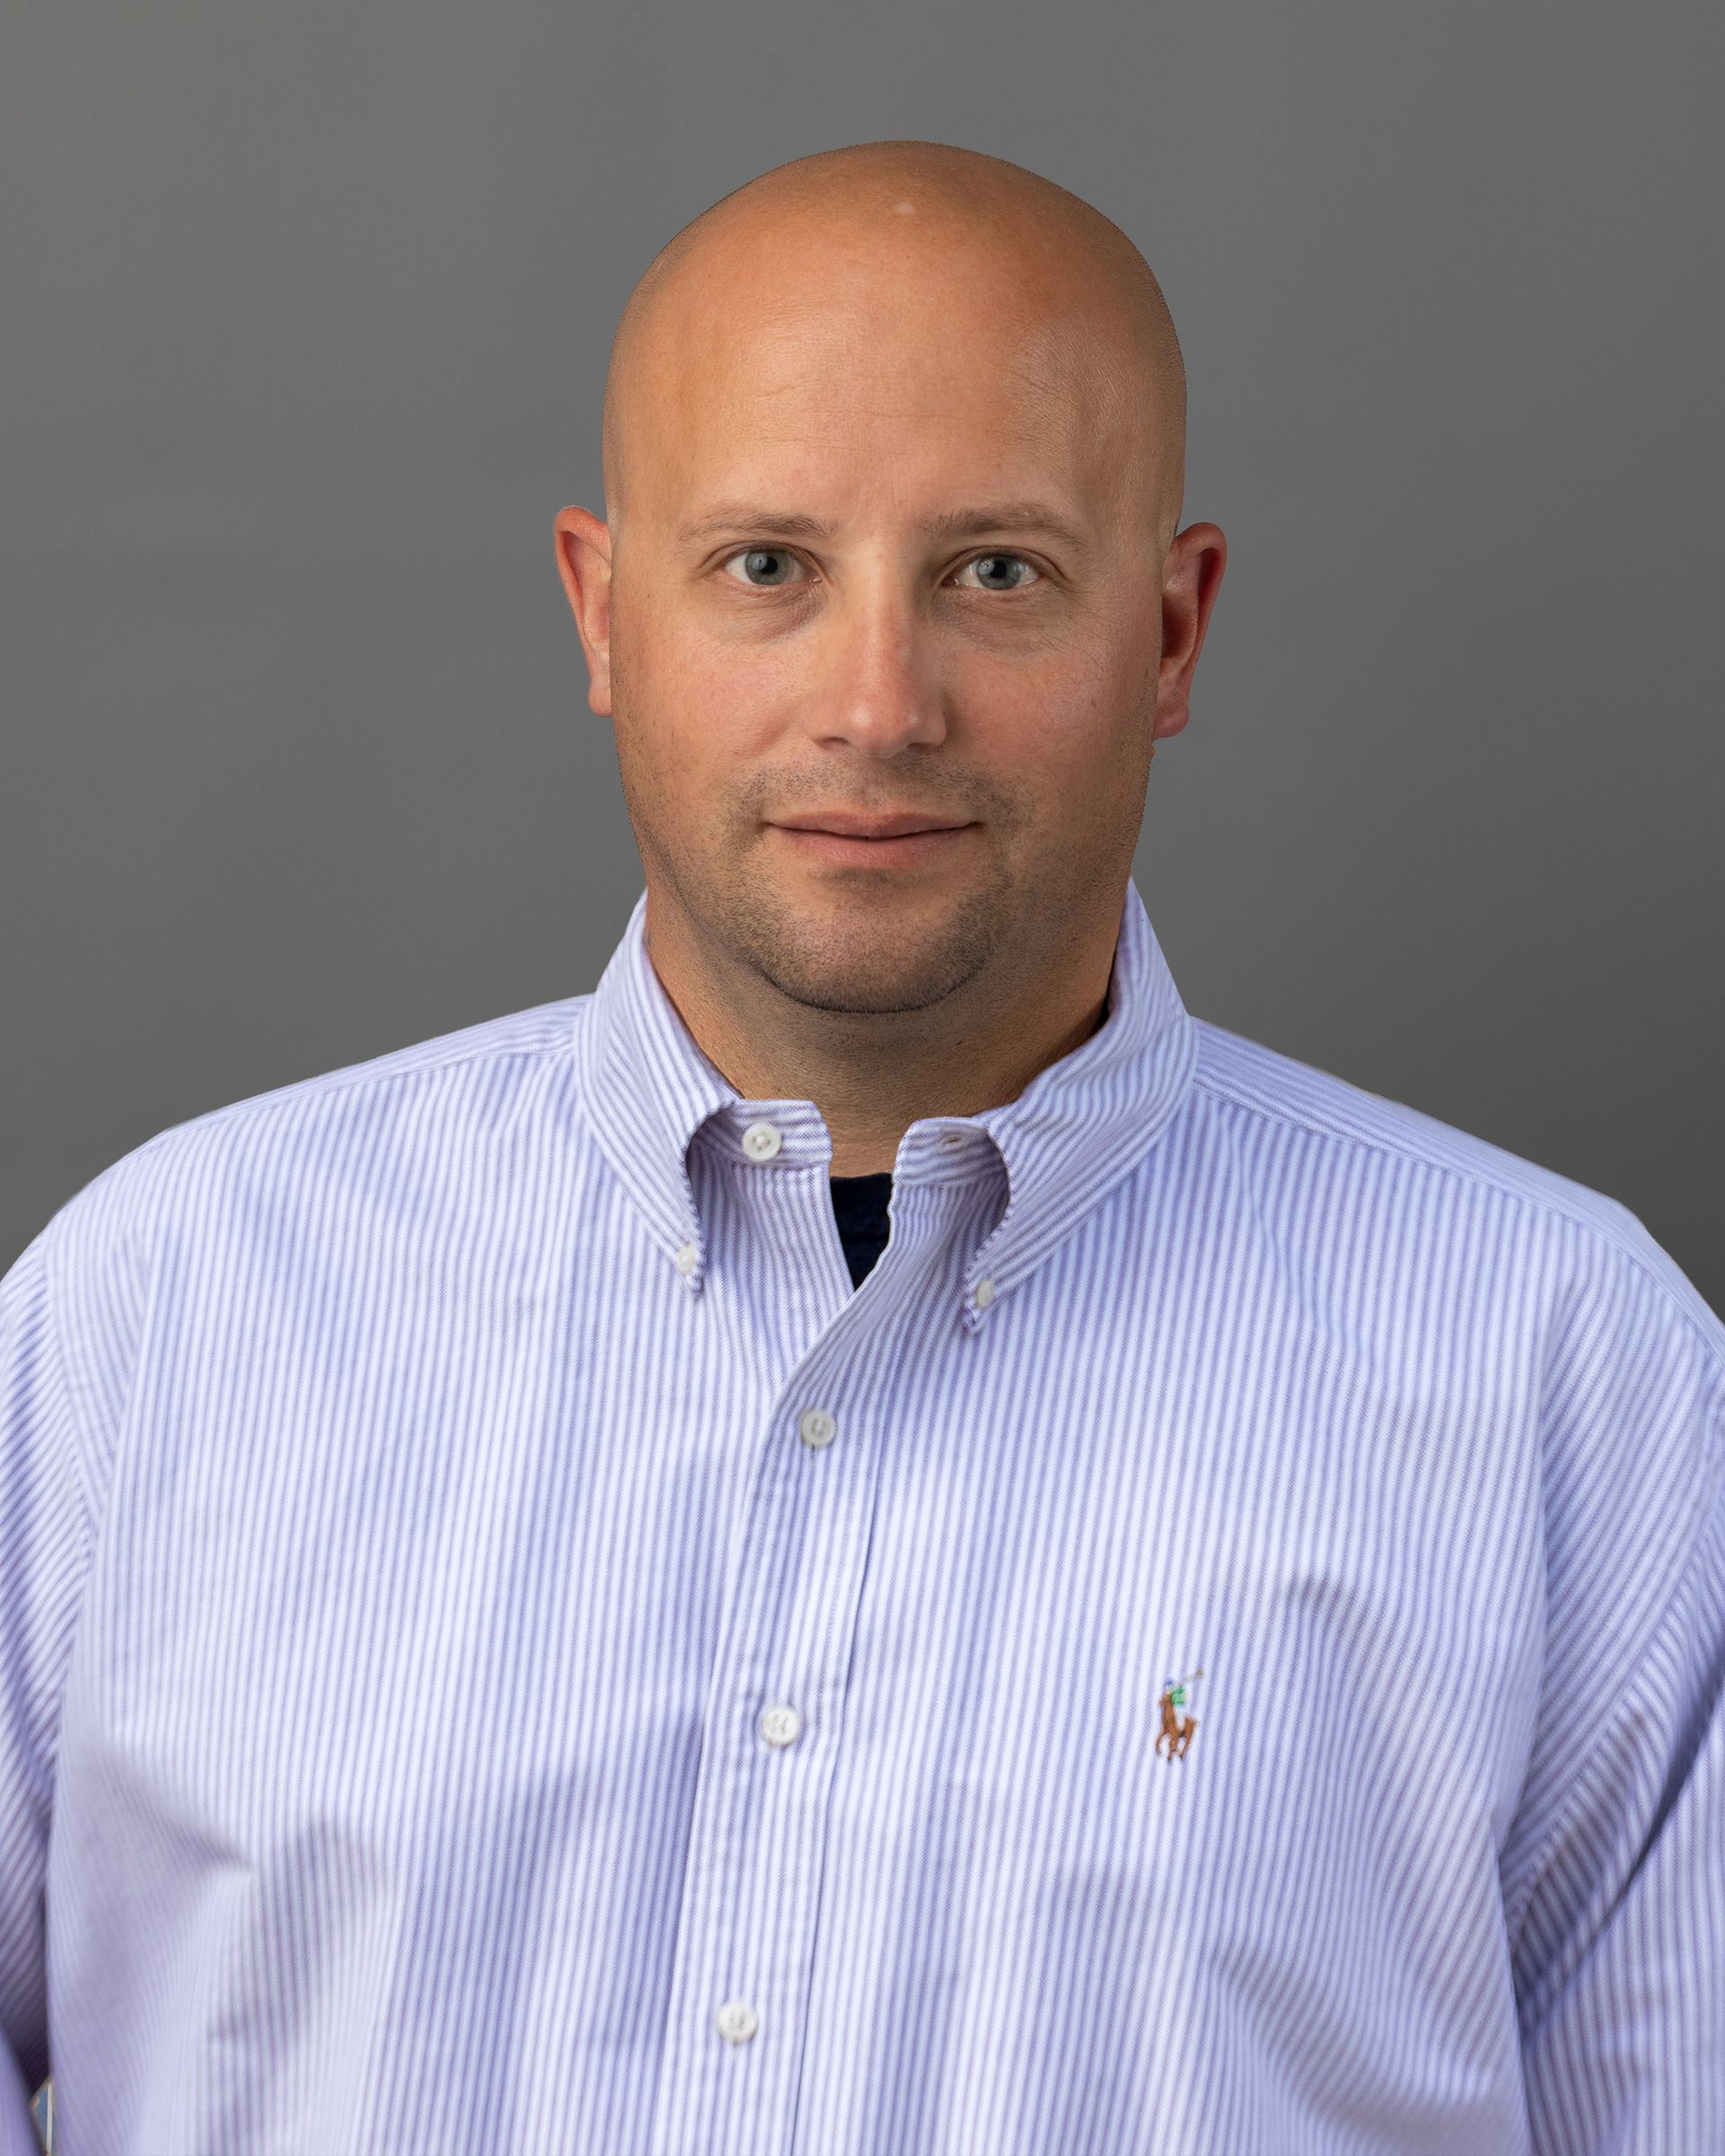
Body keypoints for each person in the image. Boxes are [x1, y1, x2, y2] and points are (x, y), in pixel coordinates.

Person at [1, 137, 1719, 2156]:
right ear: (605, 611)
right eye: (767, 568)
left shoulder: (1571, 1381)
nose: (878, 702)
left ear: (1171, 633)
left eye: (996, 571)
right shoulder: (152, 1321)